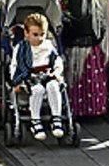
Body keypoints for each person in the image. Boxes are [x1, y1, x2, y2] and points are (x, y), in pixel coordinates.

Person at [9, 12, 66, 140]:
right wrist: (16, 82)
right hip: (29, 76)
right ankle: (35, 120)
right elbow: (14, 65)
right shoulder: (21, 48)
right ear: (26, 34)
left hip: (47, 73)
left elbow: (57, 60)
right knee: (37, 90)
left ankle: (56, 118)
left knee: (53, 86)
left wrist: (57, 72)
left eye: (42, 34)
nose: (39, 38)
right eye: (35, 35)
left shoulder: (48, 46)